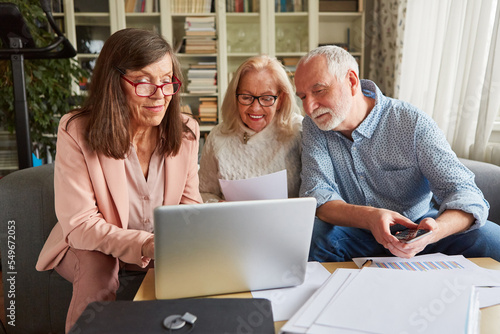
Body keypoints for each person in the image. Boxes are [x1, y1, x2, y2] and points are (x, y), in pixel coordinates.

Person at [35, 28, 202, 332]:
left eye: (167, 81)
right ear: (114, 83)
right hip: (91, 243)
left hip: (159, 246)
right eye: (143, 82)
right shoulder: (75, 130)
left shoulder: (186, 130)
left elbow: (190, 209)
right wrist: (146, 244)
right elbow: (81, 224)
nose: (159, 95)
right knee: (99, 269)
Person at [294, 45, 500, 262]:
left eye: (318, 91)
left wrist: (435, 231)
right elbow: (317, 194)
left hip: (418, 229)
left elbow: (464, 191)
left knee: (491, 239)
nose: (309, 107)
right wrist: (371, 217)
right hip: (355, 232)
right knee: (310, 236)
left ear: (352, 81)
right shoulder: (314, 125)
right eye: (303, 97)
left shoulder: (411, 123)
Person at [198, 55, 303, 201]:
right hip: (232, 222)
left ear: (281, 100)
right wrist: (219, 205)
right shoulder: (218, 136)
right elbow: (204, 193)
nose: (255, 108)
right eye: (246, 97)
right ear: (235, 98)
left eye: (266, 98)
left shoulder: (298, 131)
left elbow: (313, 194)